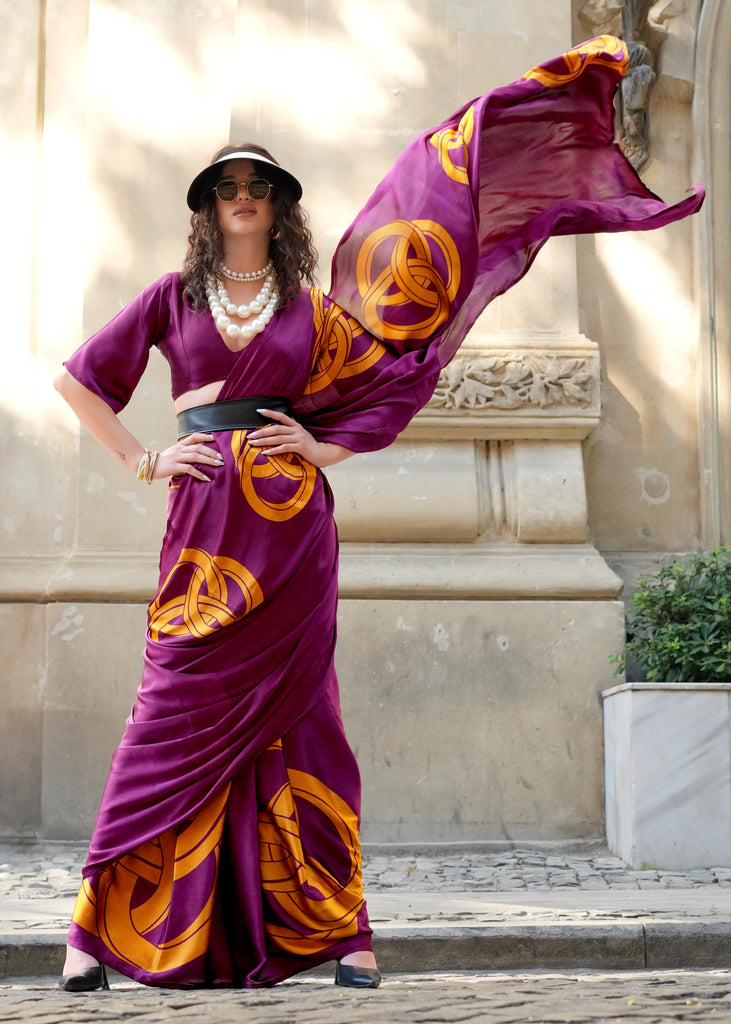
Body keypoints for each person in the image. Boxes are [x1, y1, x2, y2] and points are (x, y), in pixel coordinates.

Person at [54, 35, 703, 992]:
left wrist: (325, 449)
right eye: (226, 185)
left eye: (258, 186)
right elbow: (79, 383)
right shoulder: (170, 297)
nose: (242, 197)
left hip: (290, 535)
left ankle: (344, 933)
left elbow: (394, 376)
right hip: (201, 534)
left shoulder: (315, 312)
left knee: (307, 724)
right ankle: (90, 936)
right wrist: (147, 458)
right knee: (163, 716)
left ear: (278, 208)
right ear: (206, 206)